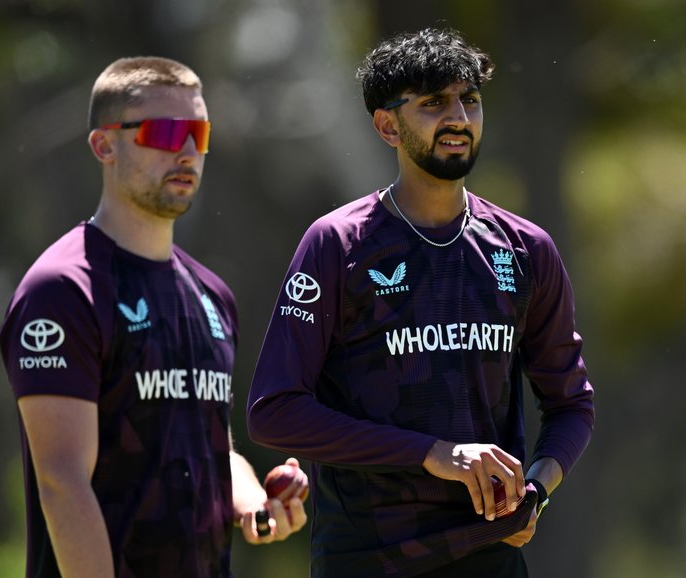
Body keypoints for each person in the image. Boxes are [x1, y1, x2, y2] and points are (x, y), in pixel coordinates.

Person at [247, 27, 594, 577]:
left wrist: (535, 489)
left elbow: (571, 404)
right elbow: (274, 412)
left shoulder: (527, 249)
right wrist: (433, 454)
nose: (459, 116)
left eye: (470, 100)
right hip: (366, 560)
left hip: (492, 559)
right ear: (388, 125)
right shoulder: (338, 244)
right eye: (434, 102)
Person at [0, 56, 307, 578]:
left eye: (198, 133)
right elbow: (63, 483)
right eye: (166, 132)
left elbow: (209, 447)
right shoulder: (63, 289)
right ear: (104, 146)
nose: (187, 151)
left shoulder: (212, 295)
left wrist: (255, 501)